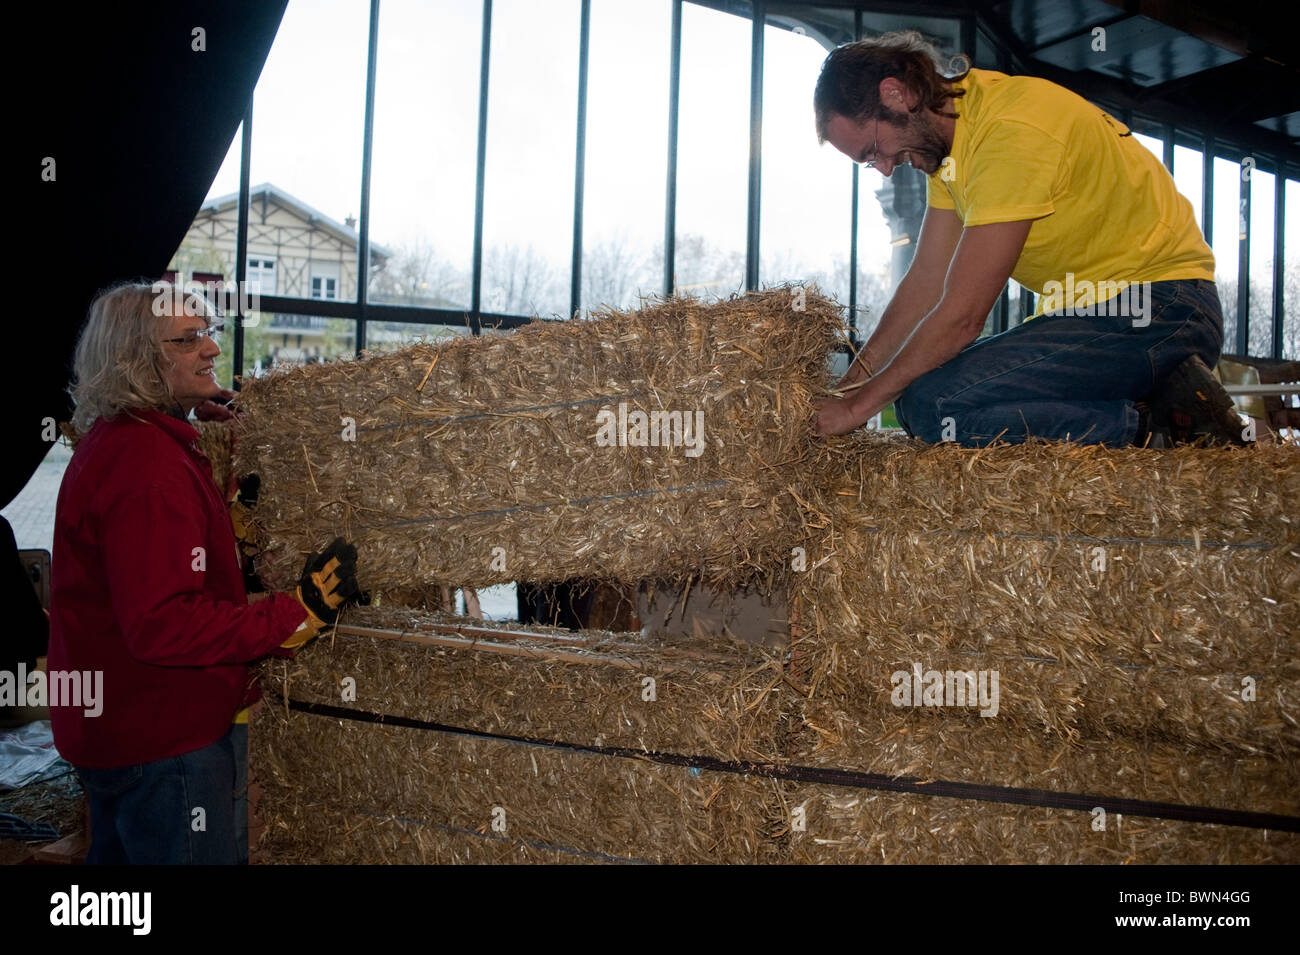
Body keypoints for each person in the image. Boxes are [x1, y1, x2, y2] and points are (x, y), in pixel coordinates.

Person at [47, 280, 360, 864]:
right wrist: (295, 613)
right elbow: (164, 625)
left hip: (114, 731)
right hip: (163, 740)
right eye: (189, 340)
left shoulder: (122, 440)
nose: (212, 350)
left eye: (209, 333)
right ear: (136, 359)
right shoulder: (148, 468)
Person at [811, 31, 1244, 448]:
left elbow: (962, 318)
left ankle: (1154, 428)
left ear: (896, 94)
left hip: (1163, 309)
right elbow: (925, 283)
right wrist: (847, 391)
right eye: (870, 165)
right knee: (920, 396)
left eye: (872, 151)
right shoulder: (950, 152)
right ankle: (1147, 402)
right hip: (1095, 314)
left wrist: (855, 411)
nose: (885, 168)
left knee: (933, 404)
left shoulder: (1010, 130)